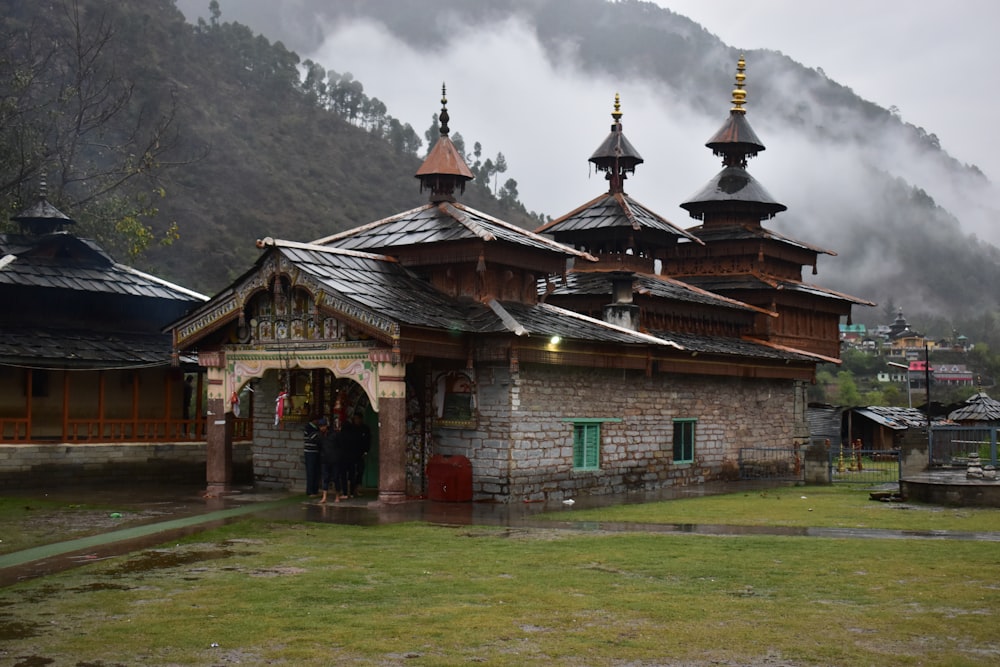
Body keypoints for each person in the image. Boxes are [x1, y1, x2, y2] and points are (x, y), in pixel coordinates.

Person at [342, 411, 371, 497]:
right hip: (351, 453)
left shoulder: (365, 429)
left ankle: (357, 488)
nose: (356, 420)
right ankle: (350, 490)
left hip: (360, 454)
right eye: (355, 419)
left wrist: (366, 451)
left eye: (358, 419)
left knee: (360, 470)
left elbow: (368, 441)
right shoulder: (351, 428)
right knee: (351, 472)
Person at [319, 420, 349, 504]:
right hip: (325, 460)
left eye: (323, 426)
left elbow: (340, 446)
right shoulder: (320, 436)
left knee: (336, 478)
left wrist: (338, 456)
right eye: (320, 426)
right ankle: (324, 497)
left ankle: (337, 496)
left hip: (335, 459)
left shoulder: (334, 435)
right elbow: (319, 446)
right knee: (325, 478)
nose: (322, 428)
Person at [302, 416, 326, 496]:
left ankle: (315, 490)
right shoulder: (308, 427)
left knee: (316, 471)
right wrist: (319, 433)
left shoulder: (317, 428)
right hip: (309, 452)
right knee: (310, 471)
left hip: (316, 452)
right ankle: (310, 491)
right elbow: (312, 438)